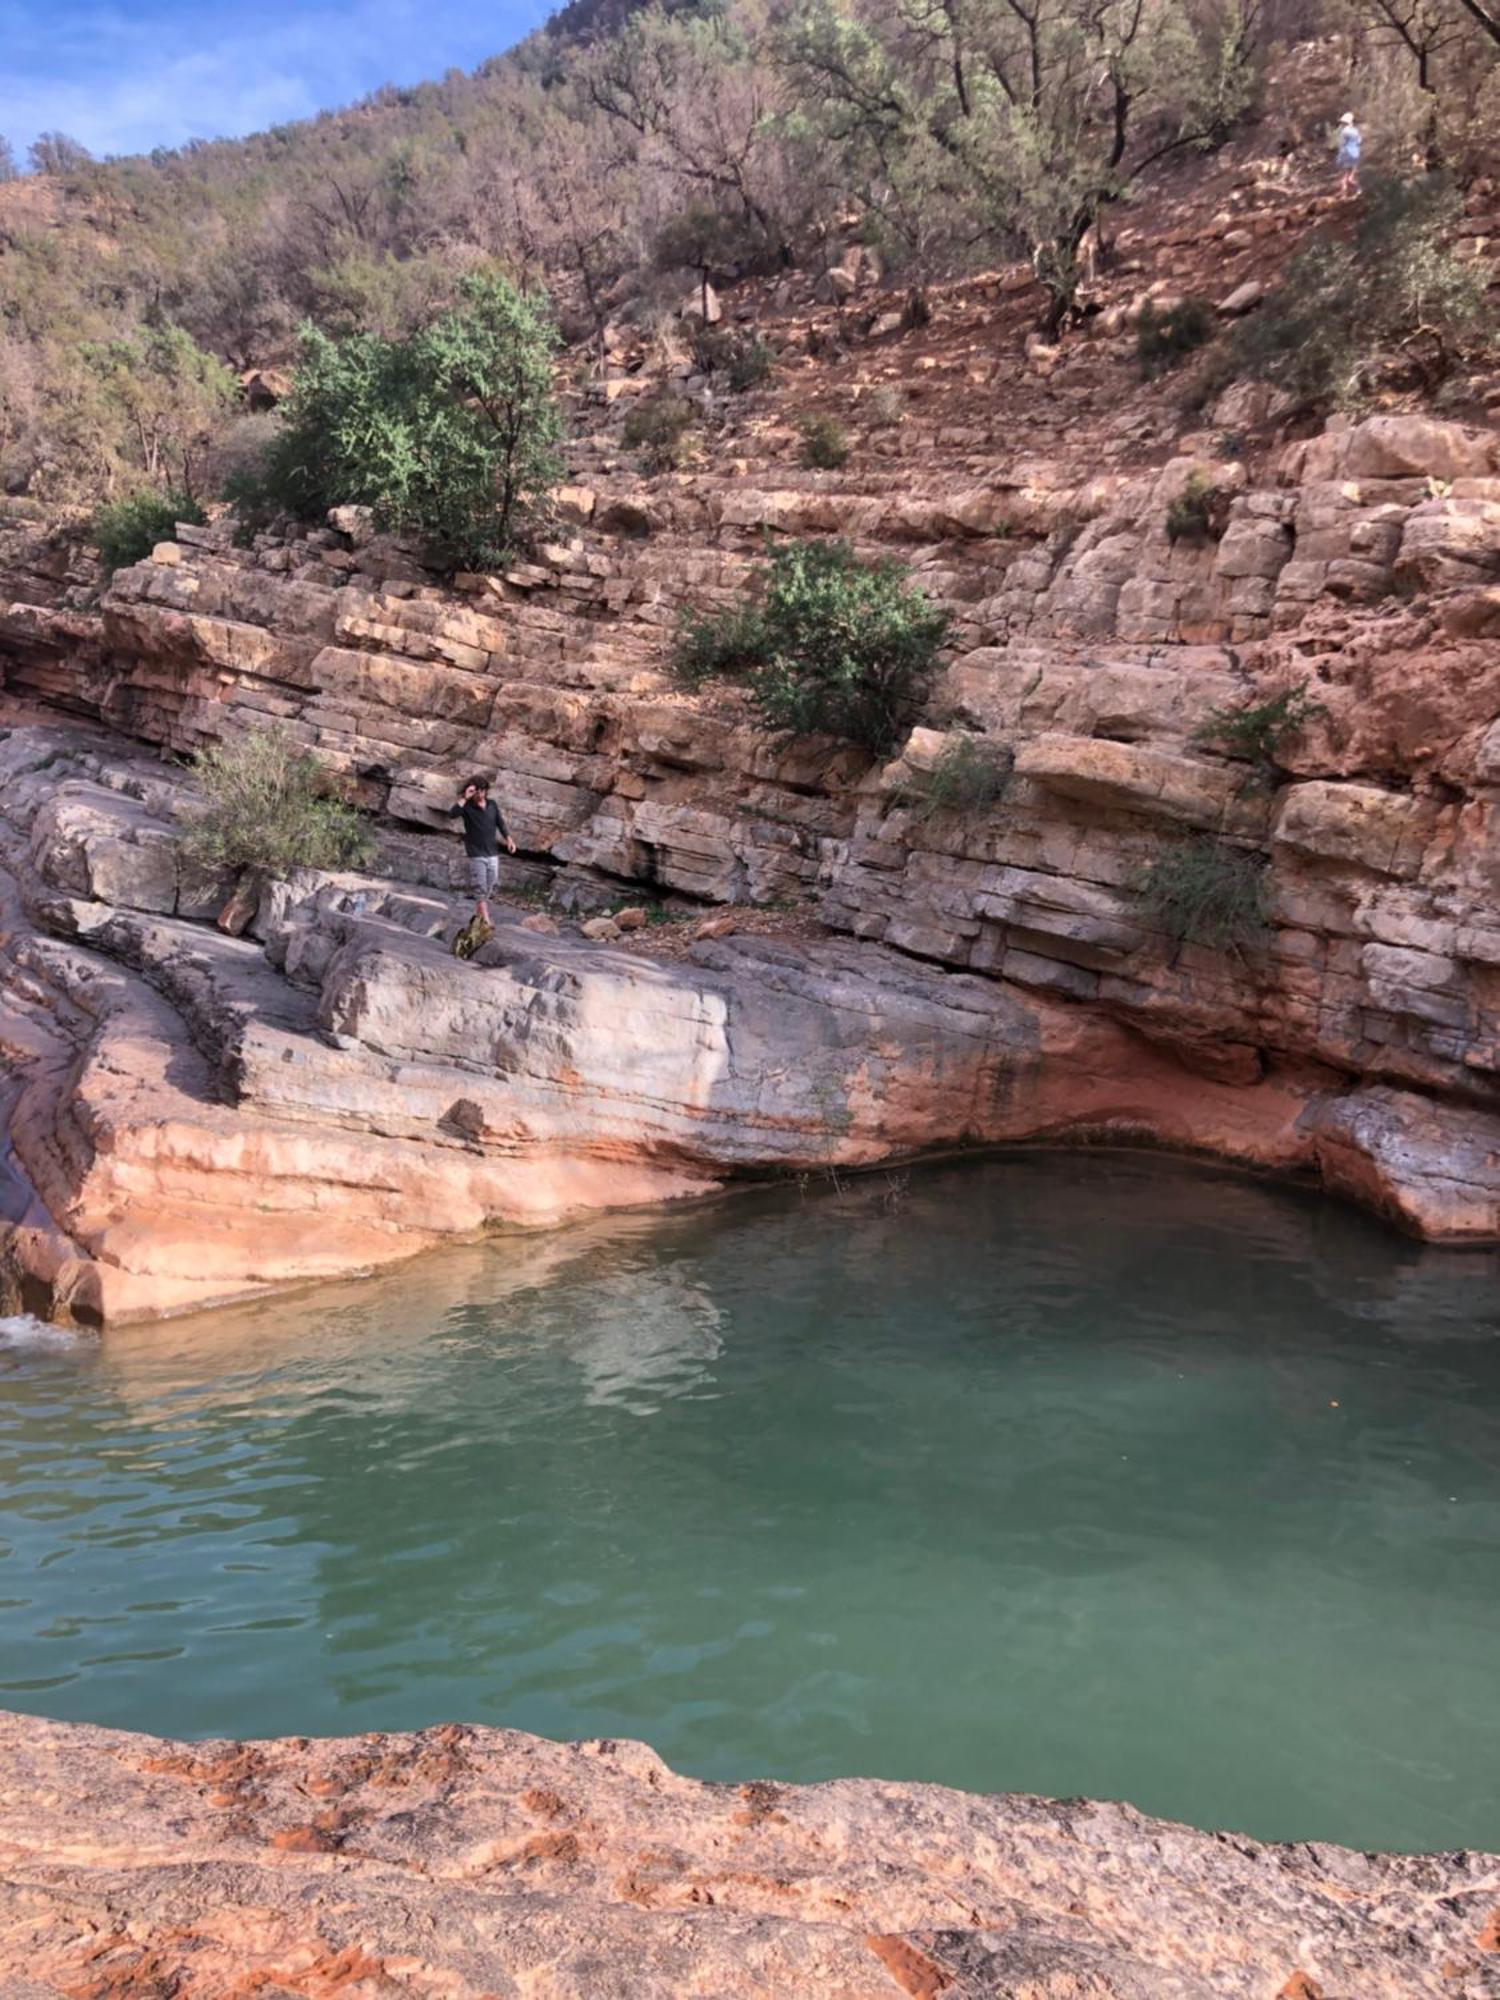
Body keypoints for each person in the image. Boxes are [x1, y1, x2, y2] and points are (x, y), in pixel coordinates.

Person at [446, 775, 515, 930]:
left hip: (492, 852)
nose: (480, 794)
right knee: (480, 887)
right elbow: (452, 814)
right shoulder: (467, 807)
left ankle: (479, 916)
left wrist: (509, 839)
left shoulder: (492, 805)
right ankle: (485, 920)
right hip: (476, 853)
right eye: (476, 791)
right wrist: (465, 797)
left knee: (491, 884)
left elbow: (500, 822)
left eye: (482, 791)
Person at [1336, 112, 1362, 197]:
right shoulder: (1355, 130)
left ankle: (1344, 195)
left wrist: (1339, 157)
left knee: (1345, 176)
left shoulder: (1344, 131)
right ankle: (1358, 190)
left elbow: (1342, 143)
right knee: (1350, 176)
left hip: (1346, 154)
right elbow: (1359, 141)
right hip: (1355, 154)